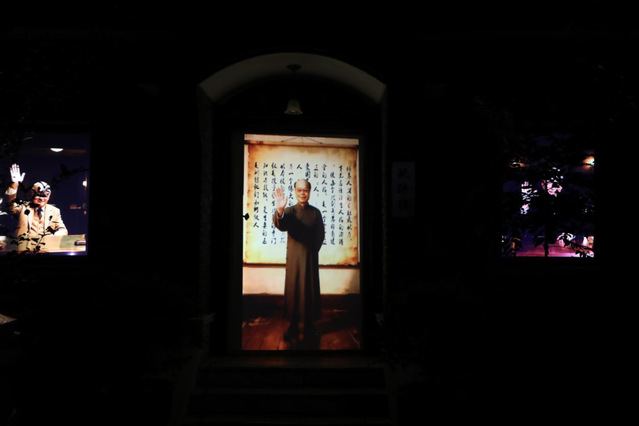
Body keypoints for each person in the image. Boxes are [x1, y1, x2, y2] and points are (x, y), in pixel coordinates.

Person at [272, 178, 325, 342]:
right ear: (295, 191)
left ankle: (309, 326)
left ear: (309, 192)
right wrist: (279, 210)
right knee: (294, 290)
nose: (302, 193)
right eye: (299, 190)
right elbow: (281, 225)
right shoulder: (289, 212)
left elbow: (320, 235)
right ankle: (293, 326)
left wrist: (312, 251)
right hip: (294, 259)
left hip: (309, 258)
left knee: (310, 290)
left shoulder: (316, 213)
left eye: (305, 190)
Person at [4, 163, 67, 251]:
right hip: (23, 249)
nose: (42, 198)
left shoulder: (54, 211)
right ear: (31, 193)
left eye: (45, 195)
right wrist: (14, 184)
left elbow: (63, 229)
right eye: (38, 194)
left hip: (45, 249)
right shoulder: (22, 207)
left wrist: (52, 237)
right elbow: (8, 205)